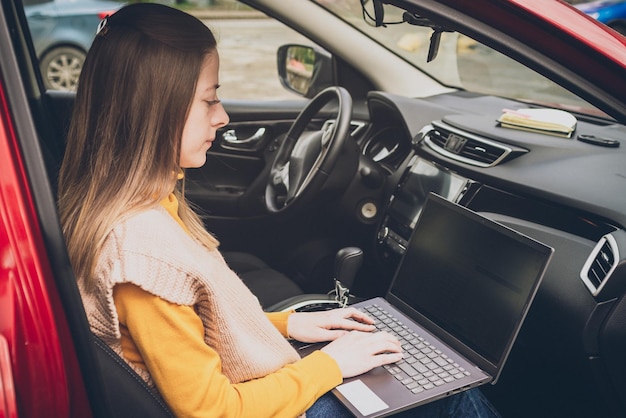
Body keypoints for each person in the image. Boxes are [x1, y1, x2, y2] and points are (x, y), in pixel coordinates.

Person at [57, 3, 499, 417]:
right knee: (457, 394)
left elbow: (194, 329)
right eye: (209, 100)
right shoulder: (142, 254)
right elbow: (214, 411)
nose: (223, 116)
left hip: (255, 387)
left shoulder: (138, 206)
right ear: (154, 112)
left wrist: (292, 325)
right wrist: (331, 365)